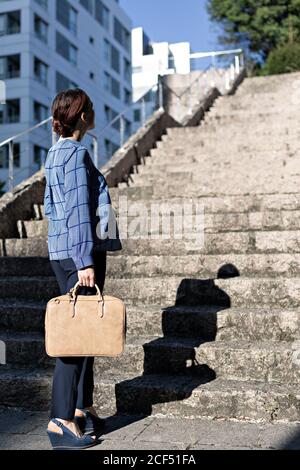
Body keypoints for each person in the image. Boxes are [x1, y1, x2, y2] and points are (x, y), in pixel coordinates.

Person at [44, 88, 122, 450]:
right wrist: (85, 260)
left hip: (65, 251)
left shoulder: (54, 153)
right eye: (92, 109)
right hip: (79, 254)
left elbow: (51, 208)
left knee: (84, 334)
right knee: (74, 342)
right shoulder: (75, 153)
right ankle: (60, 421)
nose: (94, 113)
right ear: (83, 116)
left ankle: (78, 410)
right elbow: (76, 208)